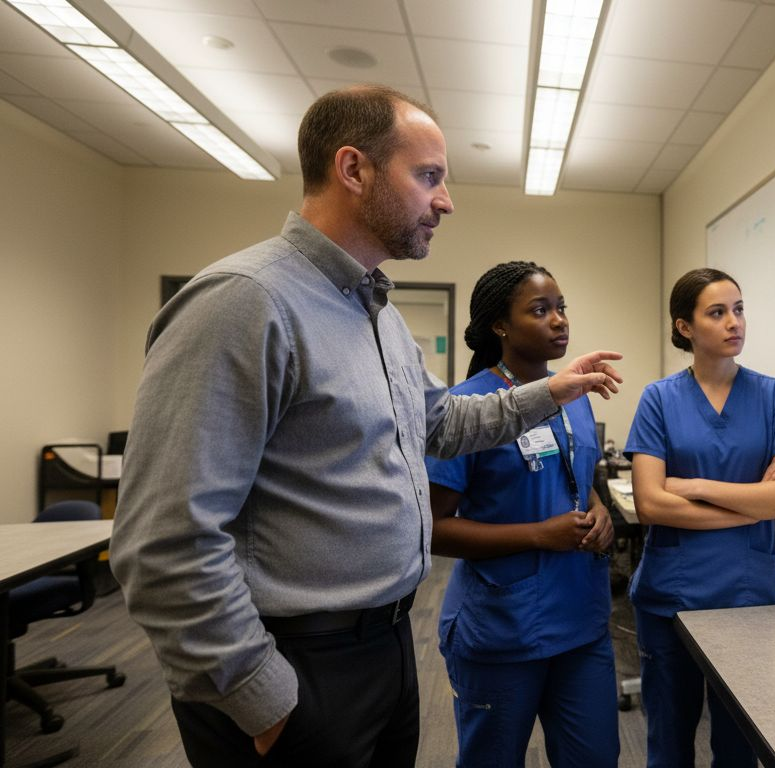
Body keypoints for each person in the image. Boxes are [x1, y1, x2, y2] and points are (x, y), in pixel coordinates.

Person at [109, 85, 622, 768]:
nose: (446, 201)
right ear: (354, 169)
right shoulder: (245, 303)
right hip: (292, 663)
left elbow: (438, 424)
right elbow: (162, 542)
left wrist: (549, 391)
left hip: (382, 646)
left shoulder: (374, 312)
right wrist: (263, 702)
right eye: (429, 176)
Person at [425, 261, 619, 767]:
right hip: (503, 628)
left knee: (596, 757)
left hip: (581, 620)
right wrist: (539, 534)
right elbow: (434, 529)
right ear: (500, 326)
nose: (559, 320)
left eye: (561, 308)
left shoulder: (573, 395)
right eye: (540, 310)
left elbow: (578, 478)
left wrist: (599, 512)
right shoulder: (467, 407)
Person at [624, 267, 775, 767]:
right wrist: (752, 506)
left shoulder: (774, 396)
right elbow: (651, 505)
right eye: (717, 312)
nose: (735, 323)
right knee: (668, 741)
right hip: (671, 601)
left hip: (748, 600)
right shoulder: (659, 399)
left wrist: (699, 487)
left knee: (738, 746)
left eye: (739, 309)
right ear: (685, 327)